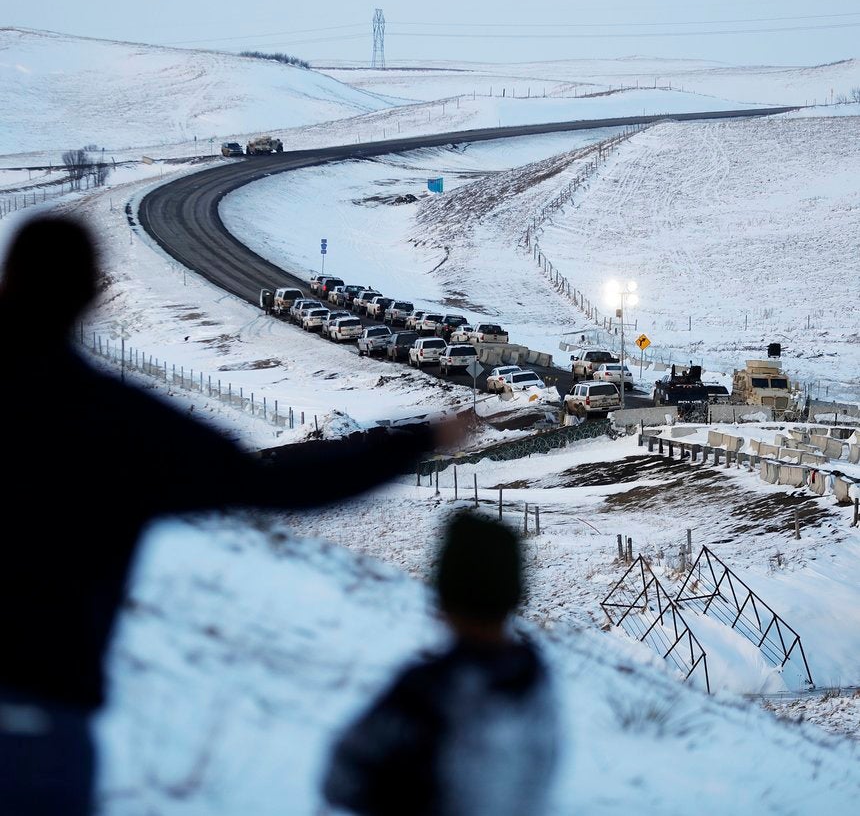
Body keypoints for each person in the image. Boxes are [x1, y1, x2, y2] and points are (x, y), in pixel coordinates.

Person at [0, 215, 456, 816]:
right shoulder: (114, 423)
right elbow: (276, 486)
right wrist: (416, 442)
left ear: (7, 281)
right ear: (89, 296)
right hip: (38, 716)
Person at [322, 510, 559, 816]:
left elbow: (340, 780)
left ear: (444, 596)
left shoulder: (425, 691)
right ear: (514, 594)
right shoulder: (535, 676)